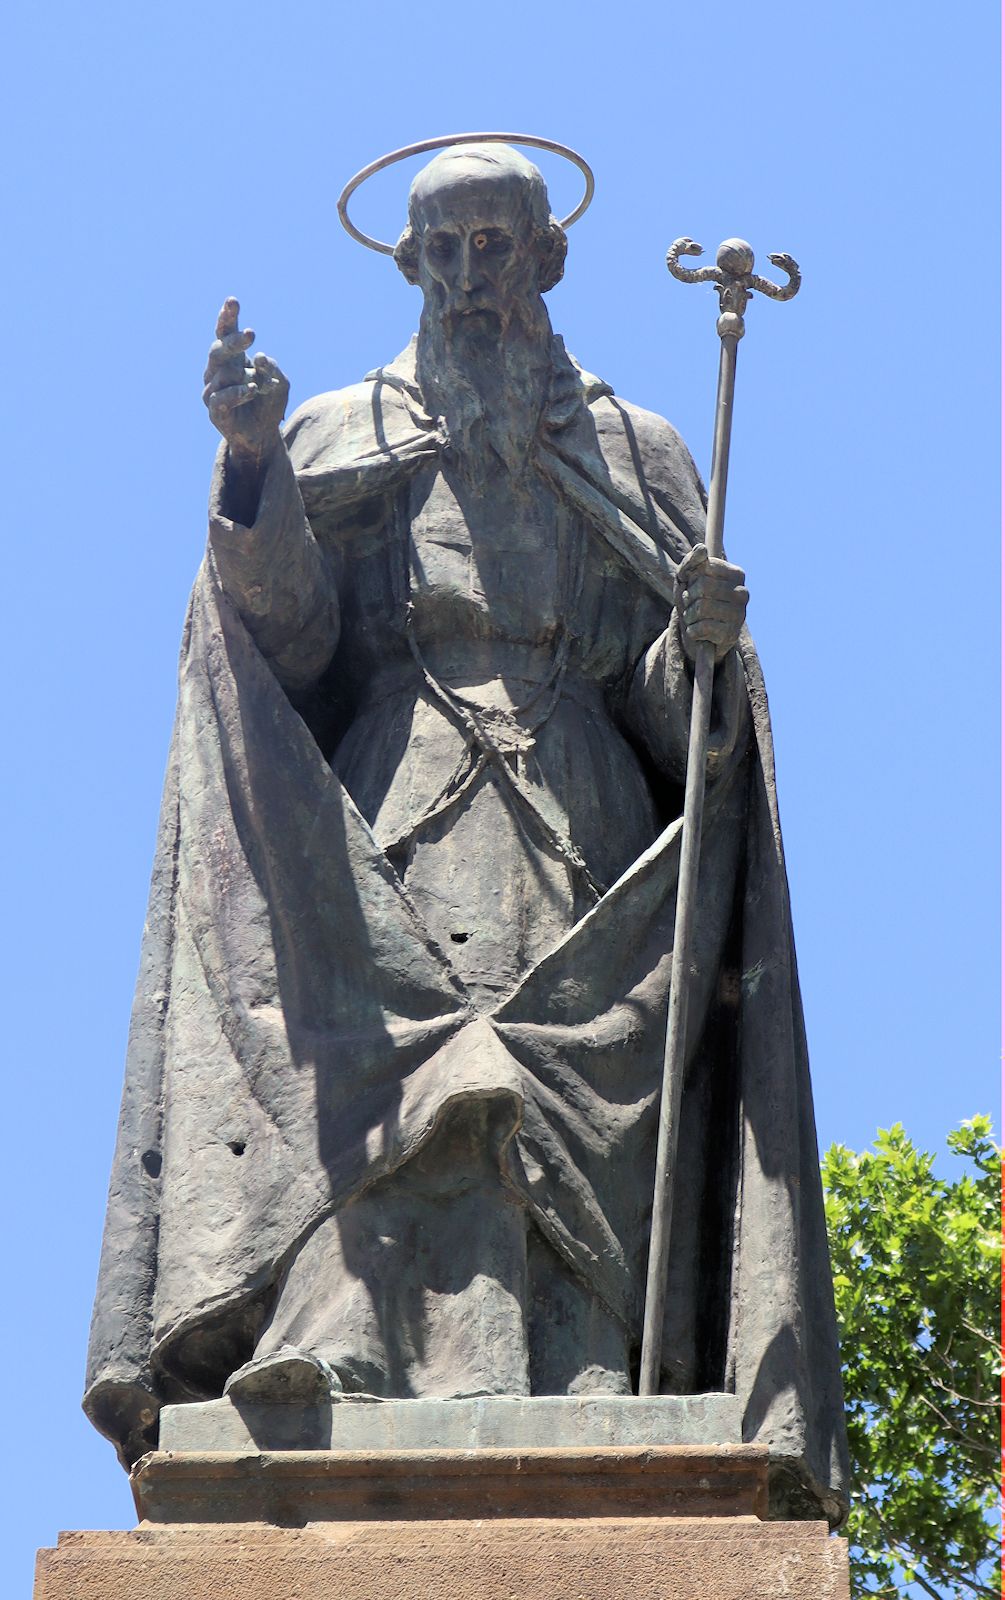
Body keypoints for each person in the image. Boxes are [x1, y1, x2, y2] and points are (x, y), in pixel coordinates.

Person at [84, 144, 848, 1522]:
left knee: (556, 1092)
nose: (467, 275)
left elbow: (676, 718)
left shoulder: (635, 449)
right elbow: (286, 646)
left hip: (580, 831)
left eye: (494, 245)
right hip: (387, 812)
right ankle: (335, 1345)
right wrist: (253, 465)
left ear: (548, 259)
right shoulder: (336, 429)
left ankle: (579, 1374)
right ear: (405, 264)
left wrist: (704, 651)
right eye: (440, 249)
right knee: (378, 1081)